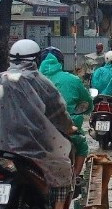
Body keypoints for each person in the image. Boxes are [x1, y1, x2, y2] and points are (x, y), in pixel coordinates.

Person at [0, 40, 76, 209]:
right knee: (62, 165)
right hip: (32, 146)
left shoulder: (0, 78)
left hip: (0, 145)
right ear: (35, 59)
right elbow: (57, 110)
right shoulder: (39, 81)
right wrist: (68, 127)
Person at [39, 47, 93, 177]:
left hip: (35, 130)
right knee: (82, 146)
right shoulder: (72, 79)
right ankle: (75, 177)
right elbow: (87, 102)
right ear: (61, 62)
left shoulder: (30, 80)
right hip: (66, 129)